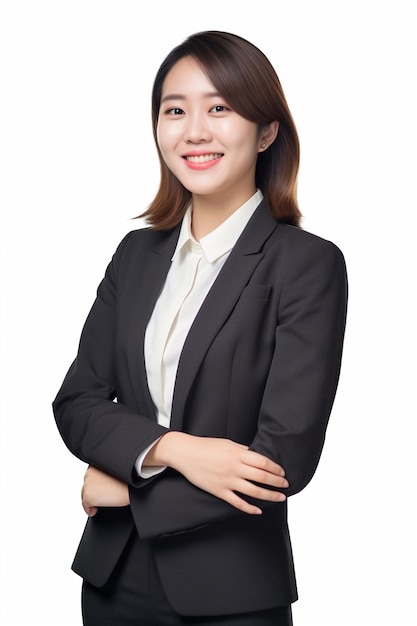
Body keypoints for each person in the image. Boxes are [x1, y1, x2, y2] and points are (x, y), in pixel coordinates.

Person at [53, 30, 348, 626]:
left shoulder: (306, 264)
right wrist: (175, 450)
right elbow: (78, 402)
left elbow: (281, 458)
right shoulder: (135, 254)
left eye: (220, 108)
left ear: (266, 131)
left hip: (232, 593)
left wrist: (127, 485)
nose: (194, 131)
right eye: (174, 110)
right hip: (113, 582)